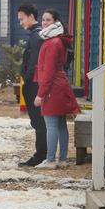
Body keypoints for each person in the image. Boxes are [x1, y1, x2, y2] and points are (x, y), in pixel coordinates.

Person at [33, 9, 80, 169]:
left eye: (48, 20)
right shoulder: (57, 39)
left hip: (53, 88)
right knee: (60, 124)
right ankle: (62, 159)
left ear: (56, 22)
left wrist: (40, 94)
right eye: (43, 20)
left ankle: (51, 160)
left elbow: (49, 71)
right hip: (60, 86)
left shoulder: (52, 42)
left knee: (51, 125)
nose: (44, 23)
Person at [17, 3, 47, 167]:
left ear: (31, 17)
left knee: (38, 121)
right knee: (39, 121)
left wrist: (26, 81)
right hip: (34, 83)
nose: (20, 22)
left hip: (33, 84)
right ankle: (43, 154)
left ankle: (40, 156)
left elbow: (34, 63)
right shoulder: (35, 35)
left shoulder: (36, 36)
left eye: (22, 19)